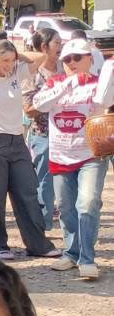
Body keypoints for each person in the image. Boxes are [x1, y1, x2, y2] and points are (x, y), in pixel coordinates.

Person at [0, 39, 58, 260]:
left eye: (11, 60)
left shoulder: (17, 72)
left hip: (17, 140)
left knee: (27, 192)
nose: (9, 65)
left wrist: (16, 54)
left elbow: (41, 57)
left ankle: (38, 244)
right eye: (4, 60)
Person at [32, 38, 114, 280]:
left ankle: (87, 258)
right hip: (60, 155)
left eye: (78, 57)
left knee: (87, 203)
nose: (72, 62)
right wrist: (68, 84)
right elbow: (39, 104)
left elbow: (106, 104)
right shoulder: (55, 83)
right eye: (67, 58)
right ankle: (71, 252)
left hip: (91, 155)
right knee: (66, 207)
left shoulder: (100, 85)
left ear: (90, 58)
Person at [21, 28, 63, 233]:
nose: (61, 47)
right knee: (44, 181)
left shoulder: (68, 68)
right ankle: (43, 226)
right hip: (44, 135)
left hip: (69, 136)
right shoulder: (33, 74)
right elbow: (28, 109)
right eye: (57, 43)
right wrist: (52, 100)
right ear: (44, 47)